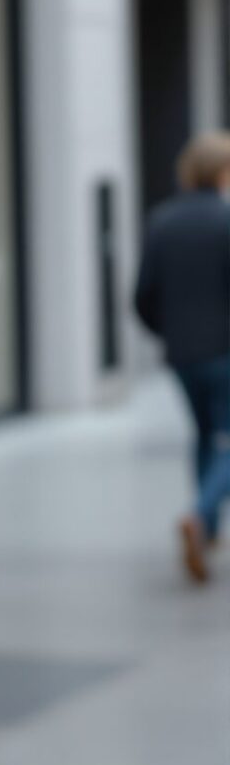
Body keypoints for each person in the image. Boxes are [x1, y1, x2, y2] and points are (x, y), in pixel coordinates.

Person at [132, 130, 230, 586]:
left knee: (205, 435)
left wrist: (169, 333)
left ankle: (207, 529)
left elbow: (143, 295)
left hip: (182, 354)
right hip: (225, 352)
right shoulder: (226, 220)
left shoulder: (163, 221)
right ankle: (200, 515)